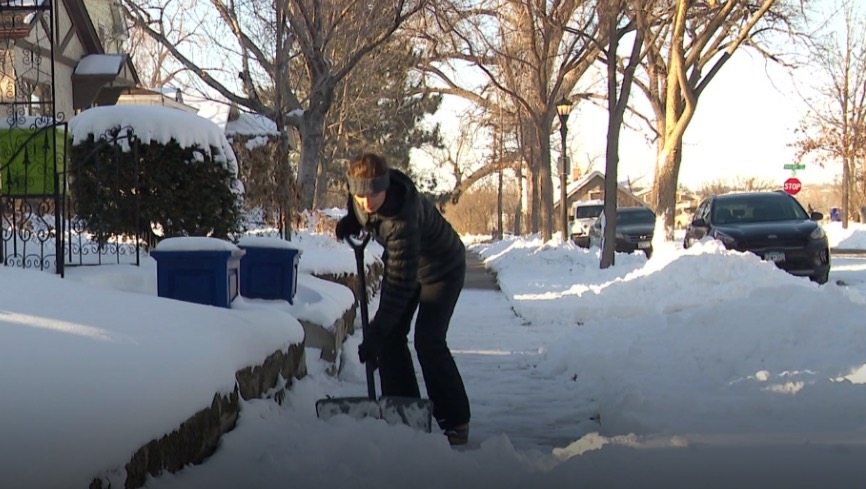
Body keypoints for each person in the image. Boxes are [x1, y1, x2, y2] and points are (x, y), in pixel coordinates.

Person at [335, 152, 471, 446]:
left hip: (442, 270)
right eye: (360, 196)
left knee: (429, 341)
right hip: (406, 266)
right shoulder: (362, 197)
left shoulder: (402, 218)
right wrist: (351, 220)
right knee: (389, 340)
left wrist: (377, 331)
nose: (367, 203)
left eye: (374, 194)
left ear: (385, 186)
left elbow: (398, 285)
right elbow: (359, 206)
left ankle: (456, 420)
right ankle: (404, 413)